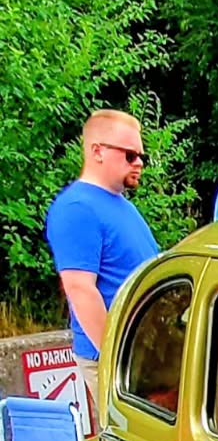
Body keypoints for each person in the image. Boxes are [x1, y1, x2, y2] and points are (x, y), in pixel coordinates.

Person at [45, 110, 161, 416]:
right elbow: (80, 289)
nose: (139, 163)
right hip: (120, 361)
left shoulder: (119, 204)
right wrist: (117, 358)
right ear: (97, 151)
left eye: (141, 156)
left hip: (144, 354)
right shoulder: (78, 208)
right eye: (130, 155)